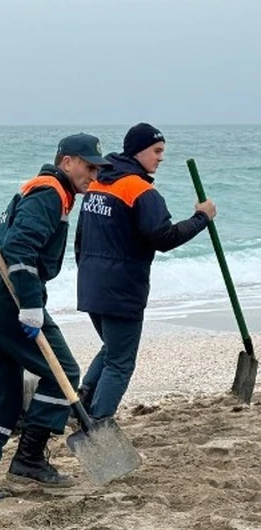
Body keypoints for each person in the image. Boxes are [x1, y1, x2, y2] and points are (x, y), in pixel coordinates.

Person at [0, 134, 112, 503]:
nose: (93, 174)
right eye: (89, 166)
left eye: (97, 168)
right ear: (67, 161)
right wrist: (29, 303)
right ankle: (30, 458)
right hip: (6, 295)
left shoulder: (45, 193)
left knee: (4, 393)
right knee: (63, 374)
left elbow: (2, 244)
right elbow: (19, 248)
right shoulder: (50, 193)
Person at [75, 123, 216, 421]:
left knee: (113, 349)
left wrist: (87, 274)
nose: (160, 158)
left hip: (91, 284)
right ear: (138, 151)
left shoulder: (98, 185)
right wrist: (202, 217)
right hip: (121, 290)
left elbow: (80, 239)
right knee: (121, 362)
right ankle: (98, 424)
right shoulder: (140, 189)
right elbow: (163, 237)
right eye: (157, 151)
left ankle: (81, 406)